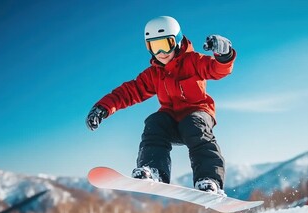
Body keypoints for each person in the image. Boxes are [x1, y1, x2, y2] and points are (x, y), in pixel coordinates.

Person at [86, 16, 236, 194]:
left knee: (195, 127)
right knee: (155, 122)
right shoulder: (153, 74)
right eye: (154, 47)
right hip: (171, 120)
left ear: (177, 41)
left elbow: (217, 69)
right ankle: (154, 170)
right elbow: (129, 91)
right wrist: (103, 107)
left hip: (197, 114)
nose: (161, 52)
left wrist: (224, 55)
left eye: (166, 44)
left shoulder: (193, 61)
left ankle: (209, 179)